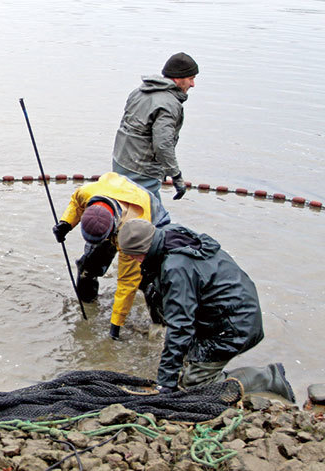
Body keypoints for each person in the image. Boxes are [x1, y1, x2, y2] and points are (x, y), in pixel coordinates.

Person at [117, 219, 295, 401]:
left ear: (144, 250)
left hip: (235, 326)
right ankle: (195, 363)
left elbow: (180, 326)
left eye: (134, 256)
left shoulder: (176, 268)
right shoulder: (169, 235)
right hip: (225, 311)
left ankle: (268, 377)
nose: (132, 260)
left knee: (195, 386)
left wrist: (165, 383)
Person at [52, 172, 170, 340]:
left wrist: (116, 325)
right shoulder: (86, 192)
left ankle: (160, 325)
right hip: (114, 205)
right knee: (87, 267)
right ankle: (87, 304)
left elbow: (127, 282)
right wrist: (66, 223)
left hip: (149, 220)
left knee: (147, 279)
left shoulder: (132, 232)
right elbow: (76, 204)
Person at [111, 52, 198, 202]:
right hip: (142, 171)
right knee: (151, 216)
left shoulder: (139, 91)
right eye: (190, 79)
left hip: (120, 160)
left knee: (124, 207)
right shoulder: (169, 104)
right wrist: (176, 176)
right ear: (177, 78)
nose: (193, 84)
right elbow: (163, 145)